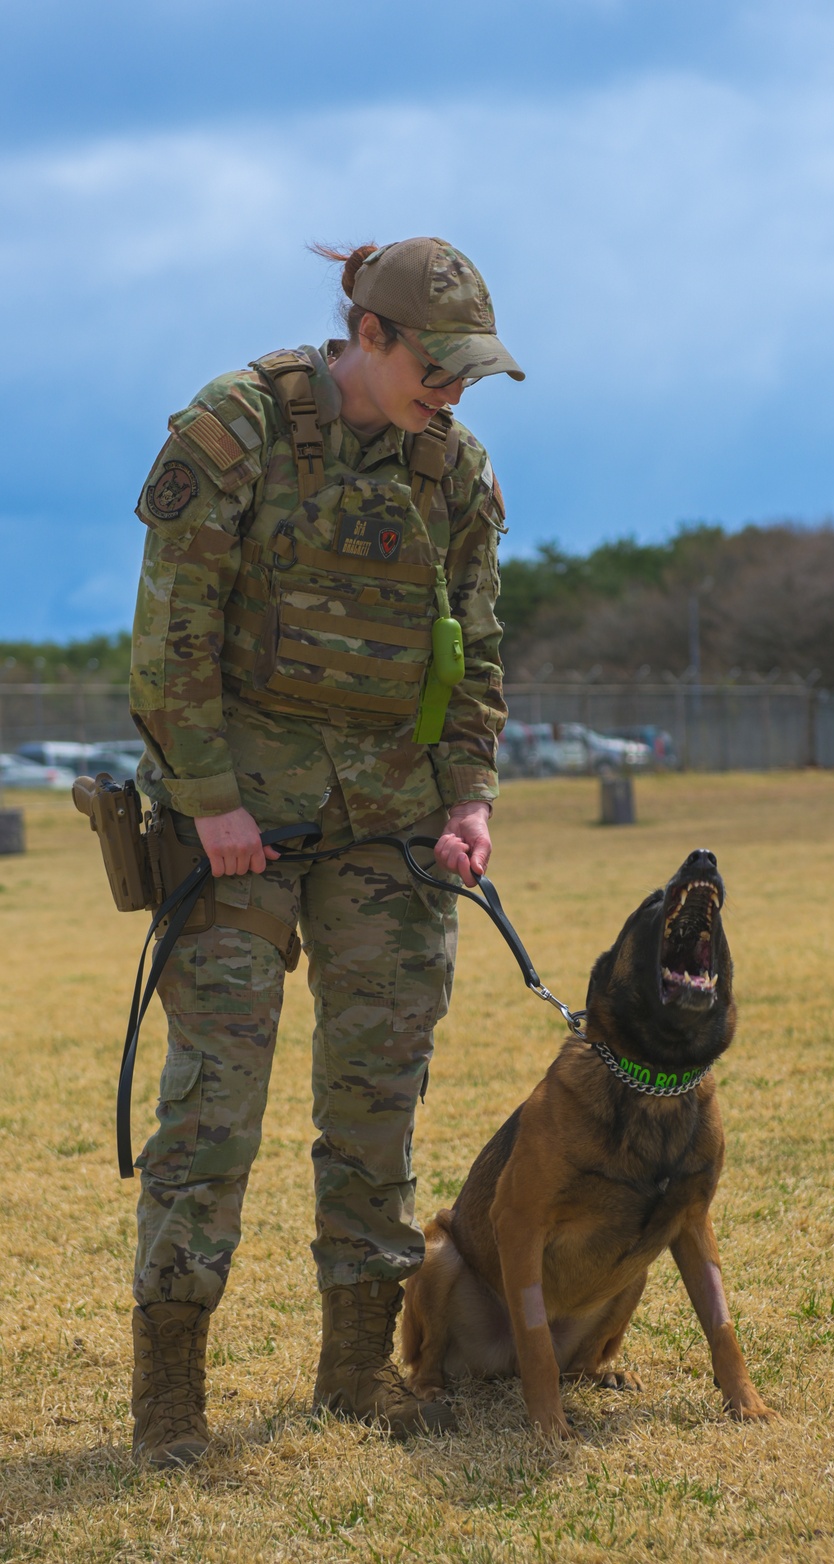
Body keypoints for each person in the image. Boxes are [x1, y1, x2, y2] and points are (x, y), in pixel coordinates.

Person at [127, 237, 522, 1464]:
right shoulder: (233, 430)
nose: (450, 391)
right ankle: (170, 1400)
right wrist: (209, 800)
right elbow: (171, 638)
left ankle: (356, 1371)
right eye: (434, 367)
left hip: (390, 817)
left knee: (377, 1093)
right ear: (368, 333)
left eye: (467, 373)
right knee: (214, 1101)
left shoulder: (454, 469)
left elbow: (475, 651)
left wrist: (468, 800)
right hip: (237, 816)